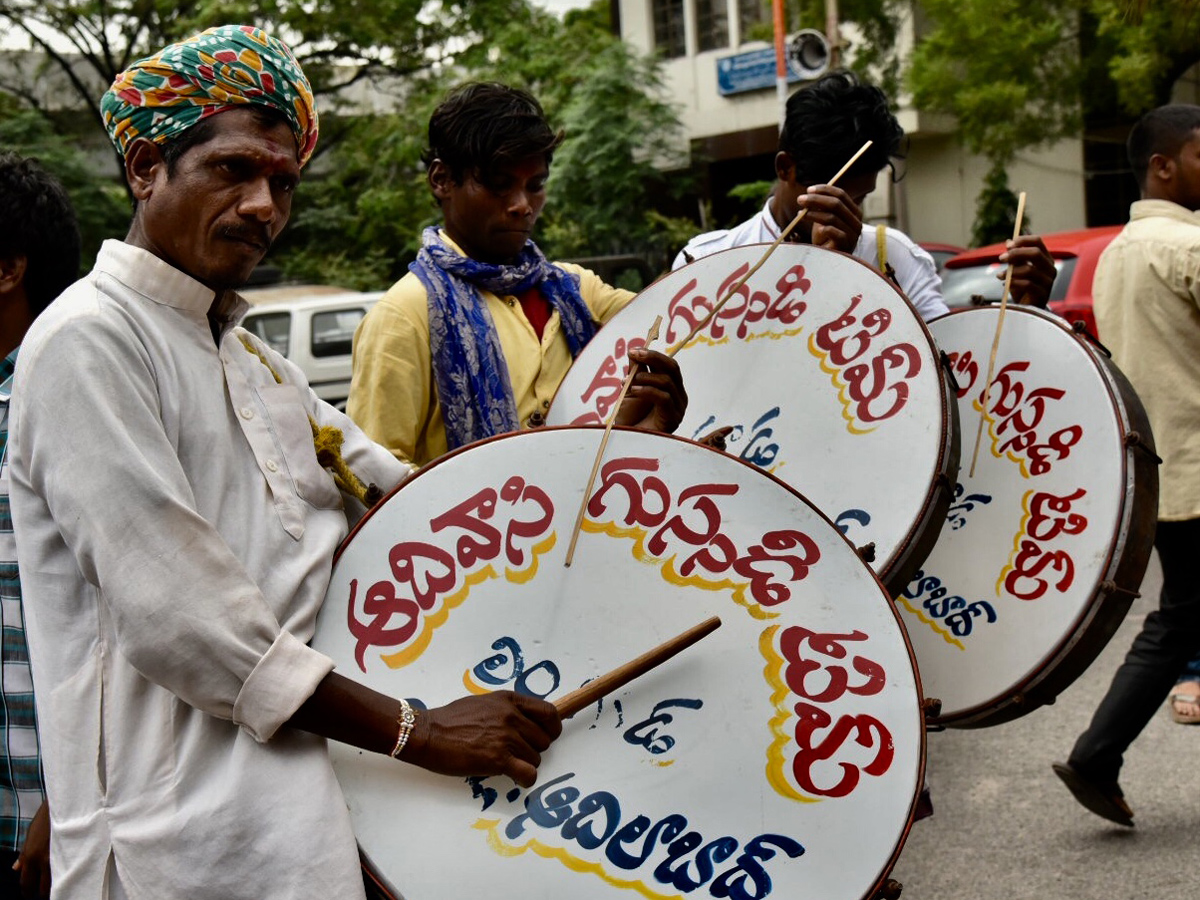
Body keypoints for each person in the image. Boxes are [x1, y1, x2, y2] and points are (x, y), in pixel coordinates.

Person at [9, 26, 561, 900]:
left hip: (312, 825)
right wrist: (421, 734)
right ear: (146, 166)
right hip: (178, 850)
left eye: (283, 182)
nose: (265, 205)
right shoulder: (89, 340)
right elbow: (184, 620)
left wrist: (626, 449)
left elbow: (421, 505)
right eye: (234, 170)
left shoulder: (252, 357)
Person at [347, 82, 687, 467]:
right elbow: (371, 479)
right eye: (498, 184)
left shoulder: (577, 292)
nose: (522, 205)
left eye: (535, 186)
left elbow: (689, 325)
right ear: (442, 180)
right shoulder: (404, 316)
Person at [1053, 103, 1200, 827]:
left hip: (1166, 474)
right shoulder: (1187, 249)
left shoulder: (1114, 253)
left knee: (1180, 618)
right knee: (1179, 621)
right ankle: (1095, 753)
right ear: (1162, 166)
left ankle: (1097, 755)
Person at [672, 71, 1057, 321]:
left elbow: (949, 374)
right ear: (786, 168)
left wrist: (1029, 314)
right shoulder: (705, 263)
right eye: (832, 200)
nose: (848, 215)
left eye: (858, 200)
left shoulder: (896, 258)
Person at [0, 152, 80, 900]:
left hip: (41, 820)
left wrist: (63, 807)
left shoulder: (61, 401)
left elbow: (116, 627)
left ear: (7, 270)